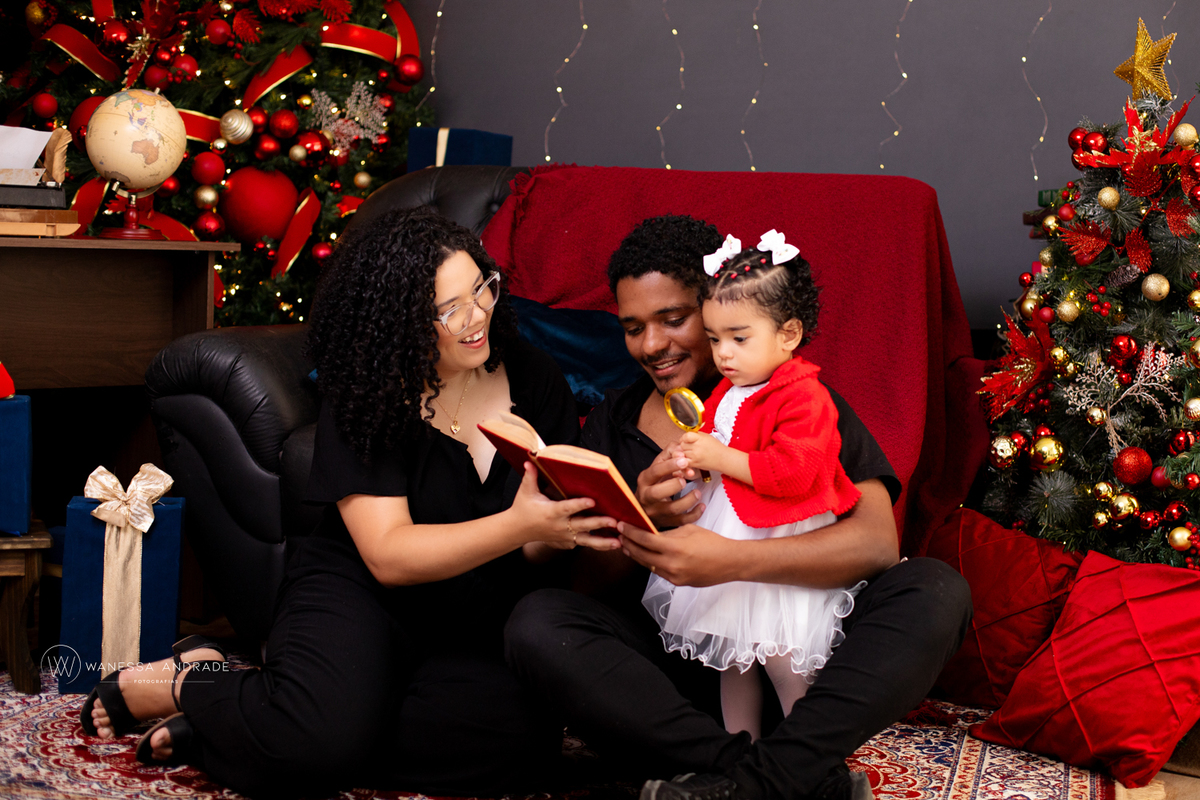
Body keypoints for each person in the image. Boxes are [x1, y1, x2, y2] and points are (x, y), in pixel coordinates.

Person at [80, 206, 620, 798]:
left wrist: (557, 527)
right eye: (449, 309)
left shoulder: (533, 376)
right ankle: (195, 682)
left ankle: (260, 721)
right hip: (361, 592)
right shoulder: (371, 389)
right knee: (324, 739)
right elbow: (388, 555)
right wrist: (519, 525)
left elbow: (537, 547)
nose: (476, 316)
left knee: (516, 744)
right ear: (402, 321)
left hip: (473, 611)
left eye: (482, 288)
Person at [504, 214, 973, 800]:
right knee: (537, 622)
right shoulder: (612, 421)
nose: (651, 345)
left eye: (674, 319)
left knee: (935, 590)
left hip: (802, 657)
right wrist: (641, 518)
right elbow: (586, 589)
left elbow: (876, 543)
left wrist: (729, 561)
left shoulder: (798, 399)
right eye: (632, 327)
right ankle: (780, 774)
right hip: (676, 679)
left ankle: (741, 784)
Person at [642, 231, 866, 743]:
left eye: (739, 339)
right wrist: (693, 460)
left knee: (783, 659)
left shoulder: (806, 396)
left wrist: (720, 457)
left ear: (788, 334)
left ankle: (805, 754)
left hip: (779, 540)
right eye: (714, 338)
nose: (723, 354)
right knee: (733, 659)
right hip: (731, 529)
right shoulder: (730, 388)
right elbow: (716, 436)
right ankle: (741, 751)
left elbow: (794, 472)